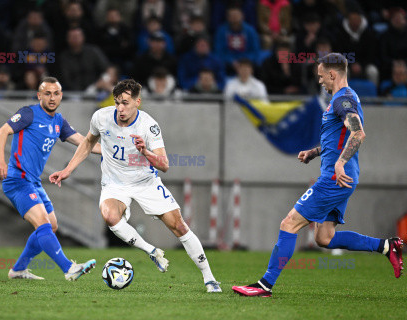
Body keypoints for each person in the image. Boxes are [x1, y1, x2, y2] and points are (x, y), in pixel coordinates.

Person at [232, 53, 404, 298]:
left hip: (335, 179)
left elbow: (358, 133)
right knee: (324, 237)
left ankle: (264, 285)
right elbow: (339, 138)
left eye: (321, 76)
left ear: (332, 74)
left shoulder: (342, 99)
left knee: (289, 223)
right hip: (344, 178)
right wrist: (315, 152)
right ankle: (386, 246)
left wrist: (340, 163)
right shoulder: (345, 98)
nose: (320, 81)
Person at [49, 79, 222, 293]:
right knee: (110, 216)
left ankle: (210, 278)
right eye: (117, 102)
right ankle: (151, 251)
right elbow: (87, 143)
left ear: (137, 102)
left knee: (179, 226)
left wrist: (145, 152)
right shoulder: (101, 117)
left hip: (145, 182)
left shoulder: (149, 126)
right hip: (114, 183)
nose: (120, 108)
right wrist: (68, 170)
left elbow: (165, 165)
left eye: (125, 103)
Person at [0, 77, 101, 280]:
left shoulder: (58, 121)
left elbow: (84, 143)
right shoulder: (28, 113)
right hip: (17, 180)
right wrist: (0, 160)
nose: (52, 98)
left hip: (33, 182)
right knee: (43, 224)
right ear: (39, 95)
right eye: (47, 93)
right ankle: (69, 268)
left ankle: (18, 269)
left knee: (51, 226)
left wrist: (110, 151)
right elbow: (1, 132)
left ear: (61, 95)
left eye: (56, 93)